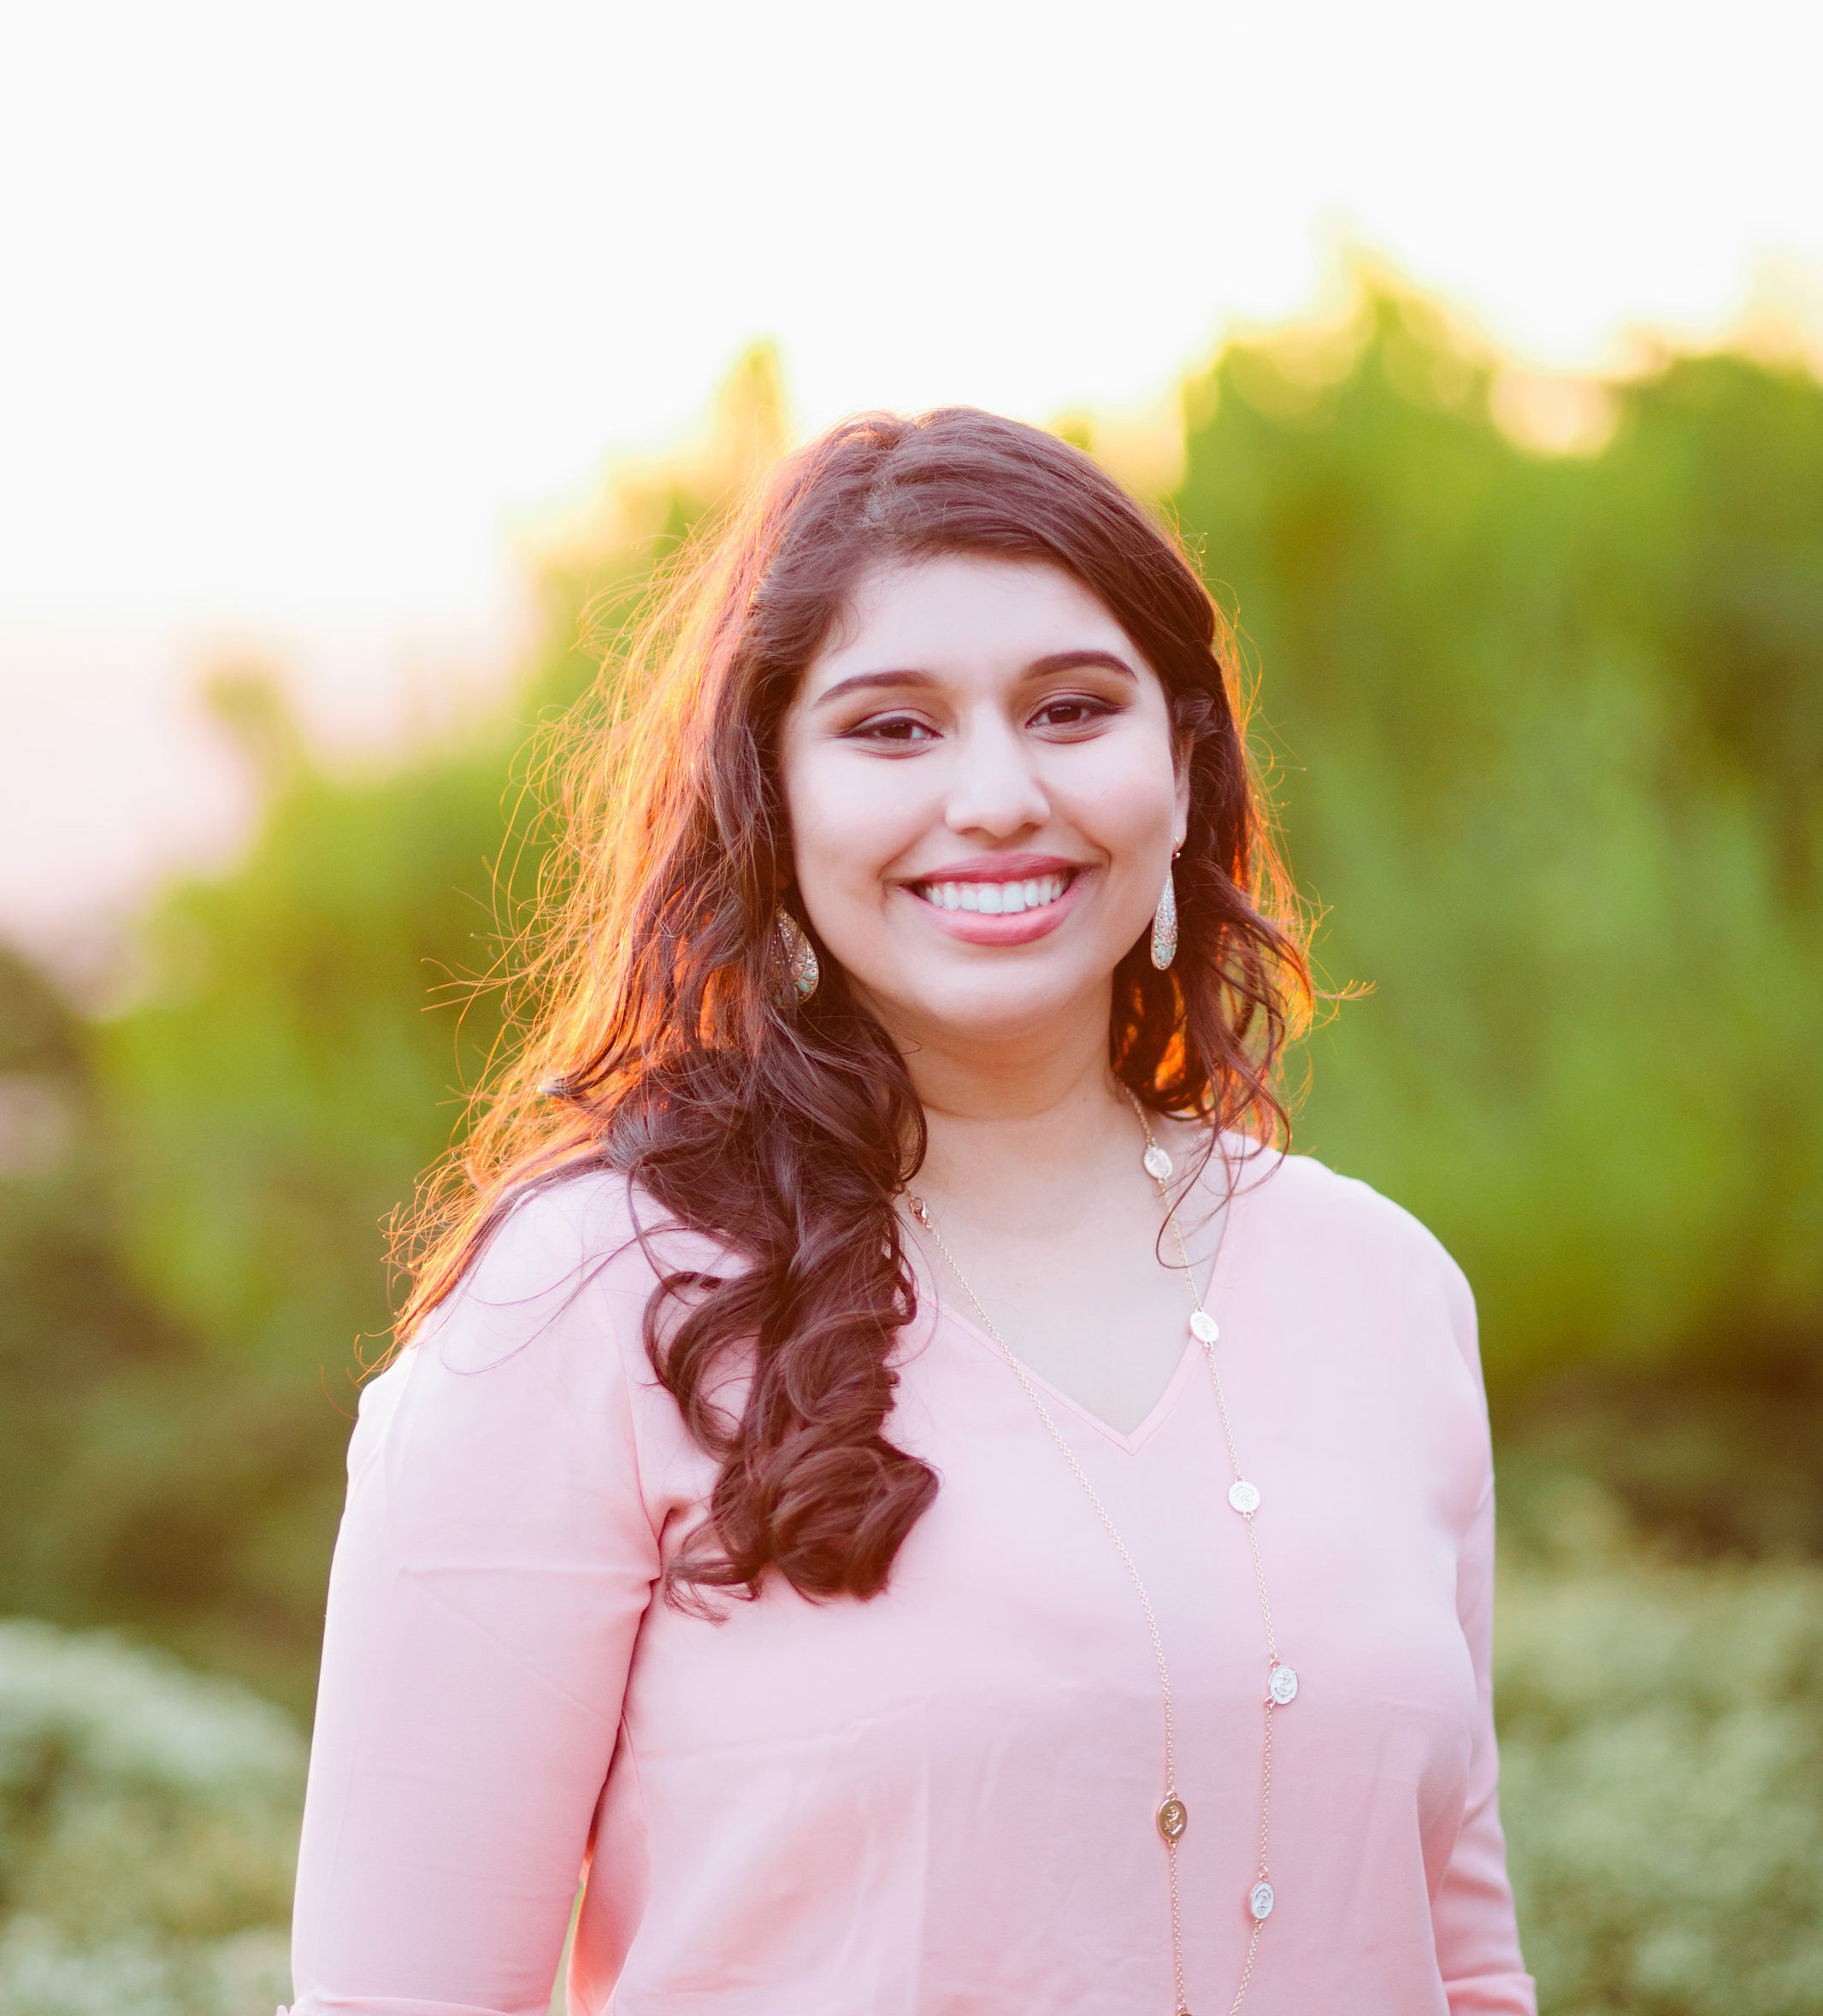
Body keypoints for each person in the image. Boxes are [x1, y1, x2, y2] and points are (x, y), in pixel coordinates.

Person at [285, 409, 1535, 2016]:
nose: (999, 794)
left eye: (1074, 709)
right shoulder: (586, 1306)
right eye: (892, 729)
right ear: (770, 798)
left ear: (1185, 761)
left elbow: (1466, 1964)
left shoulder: (1383, 1288)